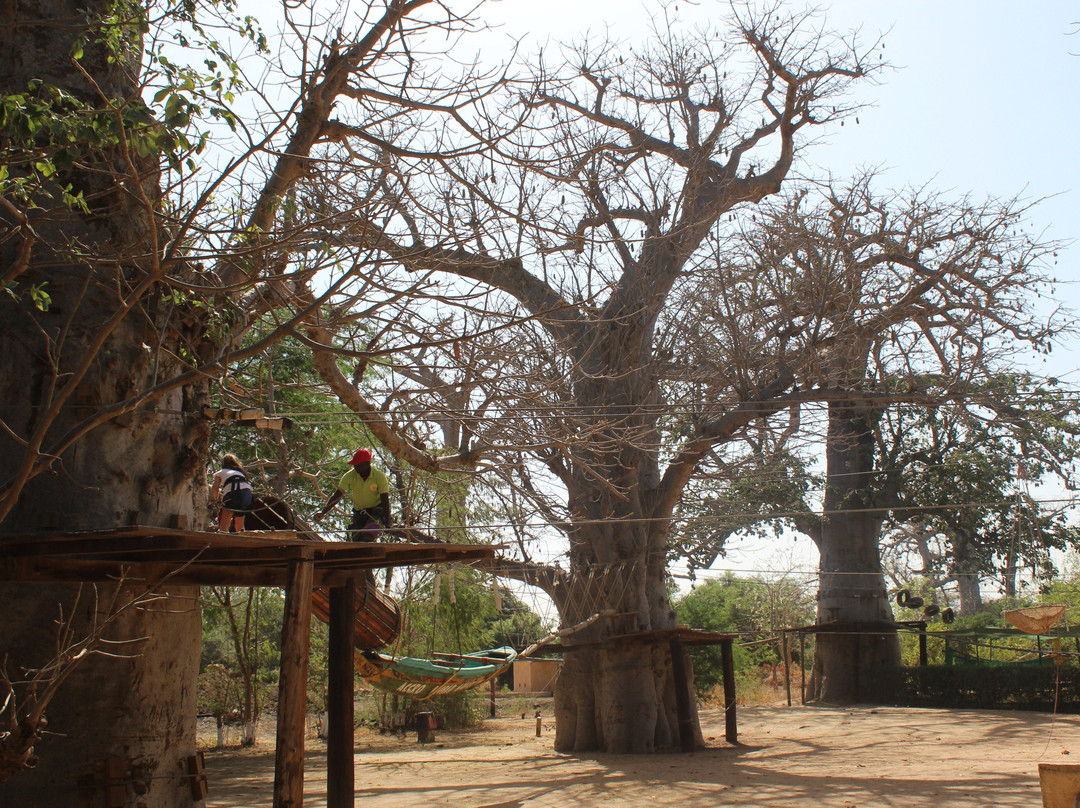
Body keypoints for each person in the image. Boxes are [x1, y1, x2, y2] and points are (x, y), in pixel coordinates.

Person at [314, 448, 394, 540]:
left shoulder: (379, 477)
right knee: (356, 540)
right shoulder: (349, 476)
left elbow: (385, 500)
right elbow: (337, 495)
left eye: (358, 465)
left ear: (367, 464)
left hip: (376, 512)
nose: (356, 467)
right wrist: (323, 512)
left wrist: (388, 523)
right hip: (359, 513)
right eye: (355, 465)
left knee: (368, 535)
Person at [210, 454, 254, 532]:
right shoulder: (241, 473)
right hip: (247, 494)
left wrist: (213, 500)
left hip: (233, 493)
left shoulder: (221, 472)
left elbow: (215, 488)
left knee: (224, 524)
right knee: (239, 521)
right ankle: (241, 538)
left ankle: (222, 538)